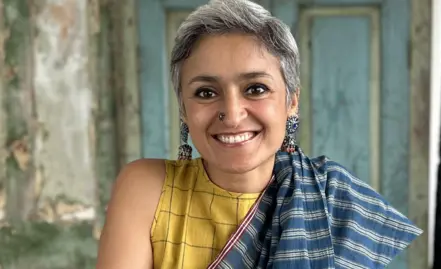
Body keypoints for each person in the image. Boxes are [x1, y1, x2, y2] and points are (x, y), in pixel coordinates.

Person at [95, 0, 422, 268]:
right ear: (183, 107)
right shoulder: (147, 189)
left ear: (291, 101)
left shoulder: (336, 202)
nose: (233, 114)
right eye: (206, 93)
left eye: (256, 88)